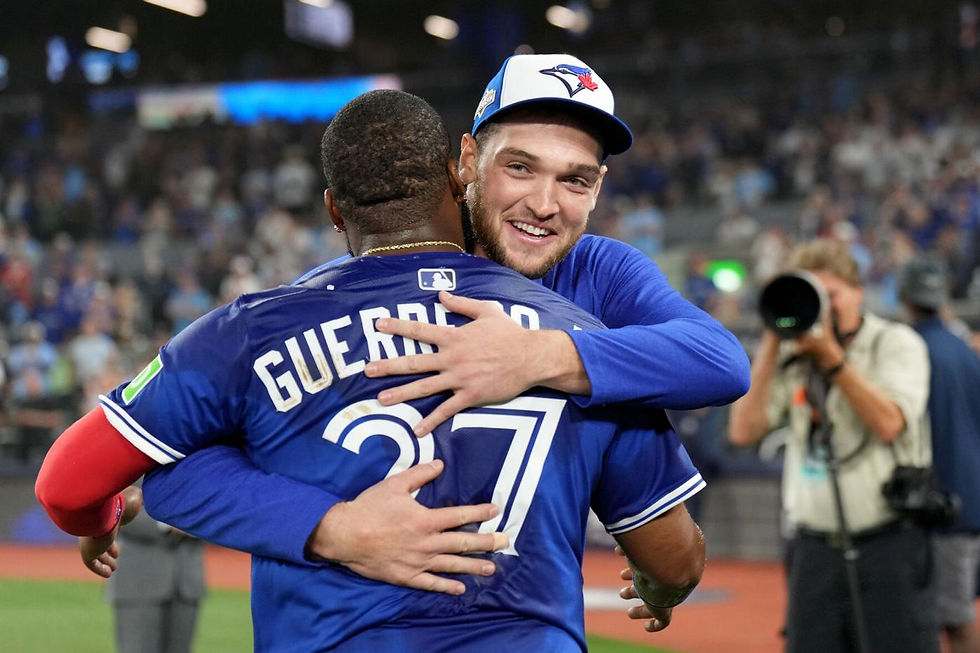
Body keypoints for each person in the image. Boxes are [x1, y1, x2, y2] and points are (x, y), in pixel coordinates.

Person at [37, 89, 706, 652]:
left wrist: (103, 513)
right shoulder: (585, 345)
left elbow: (67, 482)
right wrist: (660, 584)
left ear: (333, 209)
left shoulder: (246, 332)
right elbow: (674, 557)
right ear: (456, 176)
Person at [728, 238, 938, 653]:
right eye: (813, 297)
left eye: (831, 296)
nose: (822, 308)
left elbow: (889, 423)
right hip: (813, 550)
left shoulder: (894, 344)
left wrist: (833, 361)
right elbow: (743, 432)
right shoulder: (795, 353)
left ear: (858, 292)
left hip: (888, 543)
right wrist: (773, 335)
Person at [898, 256, 980, 653]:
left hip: (939, 506)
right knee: (955, 613)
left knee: (949, 619)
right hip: (968, 499)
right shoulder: (963, 350)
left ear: (905, 298)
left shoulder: (910, 350)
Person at [107, 503, 206, 653]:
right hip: (138, 579)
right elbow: (114, 507)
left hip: (187, 581)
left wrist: (201, 521)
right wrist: (167, 524)